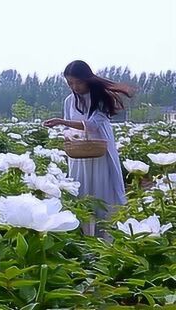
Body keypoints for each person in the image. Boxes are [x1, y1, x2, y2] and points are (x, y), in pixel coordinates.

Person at [43, 60, 133, 236]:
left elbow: (92, 126)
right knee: (81, 196)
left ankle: (106, 240)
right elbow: (70, 129)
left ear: (88, 79)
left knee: (102, 196)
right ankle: (83, 239)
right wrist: (68, 133)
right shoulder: (69, 101)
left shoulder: (100, 97)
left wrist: (61, 121)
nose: (74, 86)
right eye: (70, 83)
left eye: (78, 82)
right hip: (79, 155)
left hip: (100, 153)